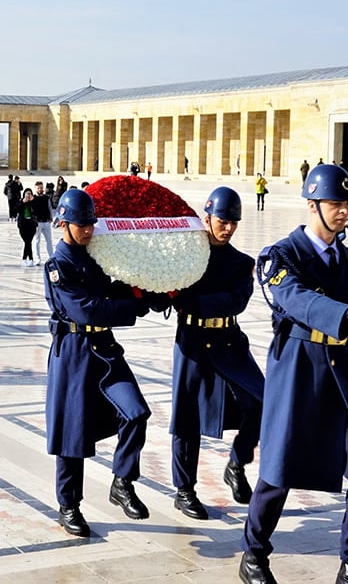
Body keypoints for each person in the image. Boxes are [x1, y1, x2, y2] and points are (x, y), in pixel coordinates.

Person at [240, 163, 348, 584]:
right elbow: (294, 298)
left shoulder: (346, 257)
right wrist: (347, 314)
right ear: (312, 205)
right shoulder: (280, 255)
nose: (343, 212)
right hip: (298, 370)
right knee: (278, 471)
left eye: (346, 204)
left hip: (341, 371)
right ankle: (253, 554)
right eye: (334, 203)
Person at [44, 188, 158, 538]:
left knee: (136, 413)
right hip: (74, 353)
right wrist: (134, 308)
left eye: (91, 224)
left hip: (104, 349)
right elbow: (86, 309)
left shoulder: (95, 258)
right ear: (63, 224)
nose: (88, 230)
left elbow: (114, 290)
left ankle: (122, 481)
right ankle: (69, 505)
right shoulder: (57, 266)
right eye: (81, 225)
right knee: (72, 435)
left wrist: (149, 289)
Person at [167, 187, 263, 520]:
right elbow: (165, 294)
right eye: (223, 221)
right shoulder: (186, 257)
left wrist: (189, 300)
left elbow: (236, 301)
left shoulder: (241, 262)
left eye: (234, 222)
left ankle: (237, 463)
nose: (229, 228)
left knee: (262, 401)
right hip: (193, 341)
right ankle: (184, 490)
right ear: (207, 218)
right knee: (186, 418)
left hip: (228, 339)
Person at [31, 181, 55, 263]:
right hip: (37, 222)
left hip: (46, 221)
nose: (40, 189)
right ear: (35, 189)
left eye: (41, 188)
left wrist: (51, 218)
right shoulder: (33, 198)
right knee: (36, 241)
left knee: (49, 240)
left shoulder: (46, 198)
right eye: (38, 188)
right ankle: (37, 258)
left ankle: (51, 257)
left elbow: (49, 208)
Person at [16, 189, 37, 267]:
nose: (28, 195)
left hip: (31, 225)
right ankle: (29, 259)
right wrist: (22, 202)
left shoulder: (33, 202)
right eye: (27, 194)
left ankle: (26, 259)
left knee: (28, 242)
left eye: (30, 194)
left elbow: (37, 210)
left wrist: (33, 202)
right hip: (23, 225)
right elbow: (16, 209)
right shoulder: (20, 201)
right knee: (27, 242)